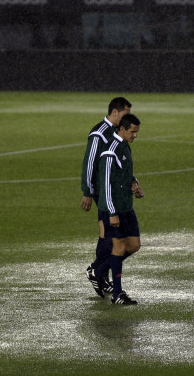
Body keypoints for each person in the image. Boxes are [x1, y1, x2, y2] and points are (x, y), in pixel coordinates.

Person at [81, 97, 132, 297]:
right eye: (126, 115)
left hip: (114, 193)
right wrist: (87, 192)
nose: (128, 119)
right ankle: (97, 272)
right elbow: (90, 164)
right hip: (103, 194)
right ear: (115, 113)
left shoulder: (116, 133)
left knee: (111, 237)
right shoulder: (99, 134)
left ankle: (101, 276)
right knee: (108, 236)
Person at [92, 113, 144, 305]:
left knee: (134, 246)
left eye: (137, 132)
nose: (135, 136)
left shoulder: (124, 147)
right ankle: (118, 294)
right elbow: (105, 185)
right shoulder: (110, 151)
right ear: (122, 129)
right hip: (114, 210)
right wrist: (112, 213)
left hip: (126, 207)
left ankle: (99, 271)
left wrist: (134, 184)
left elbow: (125, 173)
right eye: (133, 132)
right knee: (119, 247)